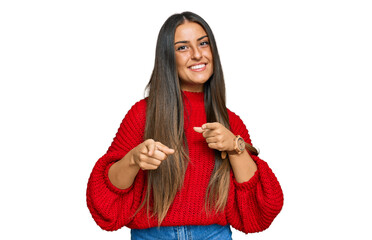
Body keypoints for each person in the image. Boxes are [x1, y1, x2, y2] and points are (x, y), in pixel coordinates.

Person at [86, 11, 283, 240]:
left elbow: (259, 210)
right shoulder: (142, 114)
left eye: (203, 44)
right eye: (183, 47)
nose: (197, 54)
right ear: (168, 57)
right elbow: (104, 201)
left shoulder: (231, 122)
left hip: (214, 234)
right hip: (152, 235)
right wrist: (133, 160)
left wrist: (234, 146)